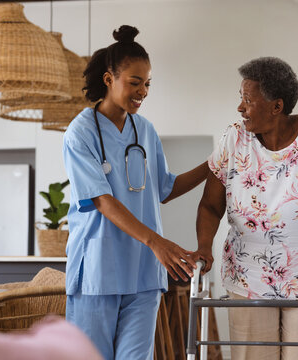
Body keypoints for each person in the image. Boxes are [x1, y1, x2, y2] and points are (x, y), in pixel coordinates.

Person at [191, 57, 298, 360]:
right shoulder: (234, 138)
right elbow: (209, 205)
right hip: (248, 277)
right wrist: (204, 247)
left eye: (248, 100)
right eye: (240, 98)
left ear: (276, 106)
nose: (240, 107)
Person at [62, 25, 209, 360]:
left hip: (143, 270)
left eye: (147, 83)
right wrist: (158, 242)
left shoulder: (144, 129)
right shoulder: (80, 132)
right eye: (134, 82)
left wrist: (212, 166)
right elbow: (102, 200)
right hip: (98, 267)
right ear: (108, 79)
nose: (142, 91)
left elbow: (165, 188)